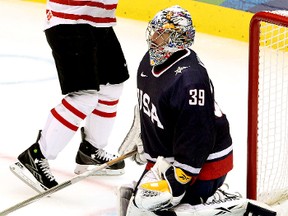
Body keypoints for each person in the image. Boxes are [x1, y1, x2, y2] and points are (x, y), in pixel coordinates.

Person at [118, 5, 234, 215]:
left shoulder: (190, 81)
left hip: (204, 163)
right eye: (154, 31)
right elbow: (147, 105)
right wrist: (143, 136)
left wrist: (180, 176)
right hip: (169, 157)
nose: (153, 38)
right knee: (131, 202)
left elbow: (197, 135)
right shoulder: (149, 61)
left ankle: (216, 202)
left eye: (161, 35)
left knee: (148, 210)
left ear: (178, 39)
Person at [10, 0, 129, 192]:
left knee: (112, 87)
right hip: (69, 19)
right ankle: (37, 155)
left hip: (100, 21)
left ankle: (91, 150)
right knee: (84, 97)